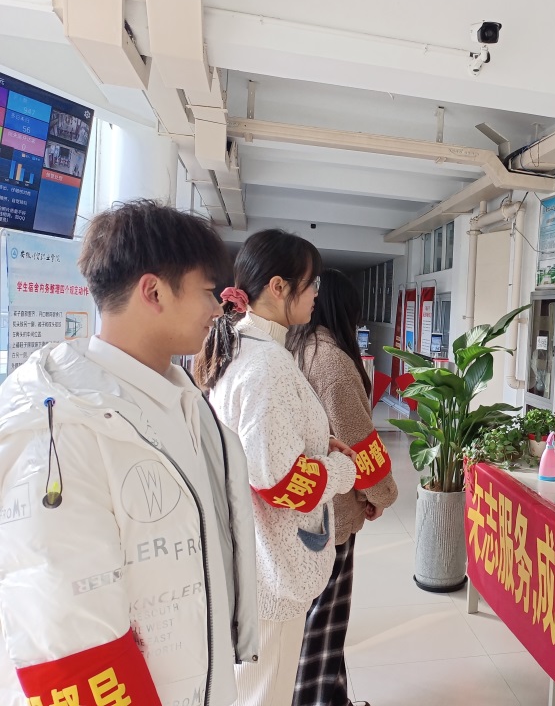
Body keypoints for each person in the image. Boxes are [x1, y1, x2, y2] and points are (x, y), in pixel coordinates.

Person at [0, 200, 259, 706]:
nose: (217, 309)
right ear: (154, 291)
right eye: (208, 291)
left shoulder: (180, 397)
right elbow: (70, 634)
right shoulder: (62, 430)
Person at [195, 230, 358, 706]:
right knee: (264, 693)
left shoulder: (239, 348)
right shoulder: (268, 366)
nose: (315, 296)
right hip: (272, 570)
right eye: (310, 285)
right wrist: (341, 469)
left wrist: (315, 443)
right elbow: (283, 483)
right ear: (279, 287)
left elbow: (258, 450)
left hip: (248, 557)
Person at [287, 269, 399, 706]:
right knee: (325, 626)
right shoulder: (332, 362)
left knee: (318, 622)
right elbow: (360, 442)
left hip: (303, 508)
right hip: (330, 515)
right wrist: (380, 495)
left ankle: (336, 699)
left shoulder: (296, 348)